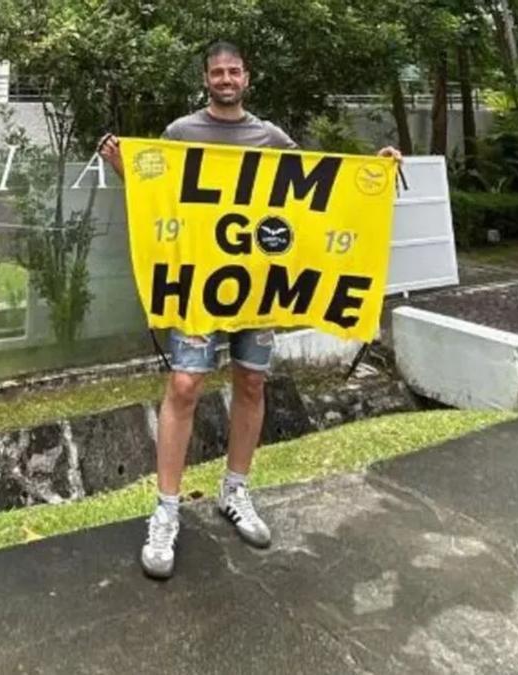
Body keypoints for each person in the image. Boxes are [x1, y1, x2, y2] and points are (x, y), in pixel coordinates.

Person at [100, 40, 402, 579]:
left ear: (247, 78)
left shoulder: (271, 138)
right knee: (185, 387)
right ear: (205, 79)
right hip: (200, 289)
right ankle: (166, 510)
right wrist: (124, 167)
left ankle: (235, 490)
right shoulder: (180, 134)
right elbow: (157, 194)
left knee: (252, 384)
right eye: (216, 71)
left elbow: (318, 196)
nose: (224, 78)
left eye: (233, 70)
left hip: (257, 290)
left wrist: (371, 178)